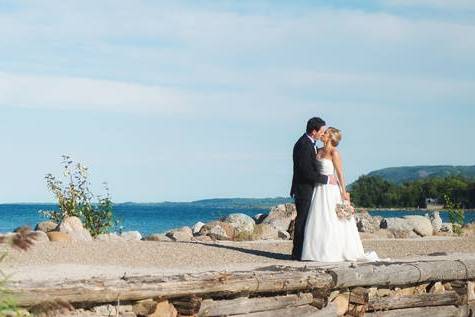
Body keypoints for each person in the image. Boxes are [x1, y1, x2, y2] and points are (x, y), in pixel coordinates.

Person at [301, 127, 379, 262]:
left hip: (331, 190)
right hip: (319, 189)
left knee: (332, 219)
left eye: (325, 133)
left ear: (330, 137)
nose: (322, 134)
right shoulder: (318, 151)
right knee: (318, 219)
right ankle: (315, 252)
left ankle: (332, 252)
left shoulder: (334, 153)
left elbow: (340, 173)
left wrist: (344, 192)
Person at [290, 117, 337, 260]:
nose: (322, 134)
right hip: (304, 188)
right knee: (302, 220)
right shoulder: (304, 145)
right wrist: (327, 179)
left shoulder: (310, 143)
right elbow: (306, 172)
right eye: (321, 131)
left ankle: (304, 251)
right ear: (314, 131)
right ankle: (297, 253)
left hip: (310, 188)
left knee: (307, 220)